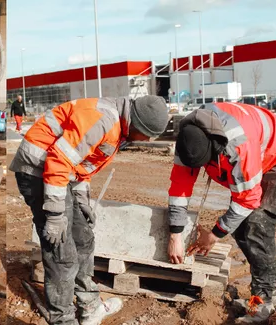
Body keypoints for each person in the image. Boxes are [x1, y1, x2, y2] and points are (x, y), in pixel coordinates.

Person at [9, 95, 170, 325]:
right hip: (38, 171)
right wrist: (55, 214)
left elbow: (80, 164)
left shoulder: (118, 127)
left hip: (59, 174)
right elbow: (59, 160)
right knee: (61, 252)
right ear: (137, 124)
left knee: (83, 239)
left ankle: (89, 306)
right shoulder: (103, 120)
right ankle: (63, 319)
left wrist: (81, 199)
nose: (147, 140)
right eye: (147, 135)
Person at [165, 101, 276, 322]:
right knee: (240, 227)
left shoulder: (238, 146)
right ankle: (271, 290)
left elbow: (248, 200)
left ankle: (263, 302)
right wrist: (175, 234)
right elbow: (179, 188)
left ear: (215, 148)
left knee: (256, 224)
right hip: (257, 155)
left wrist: (214, 235)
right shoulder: (187, 140)